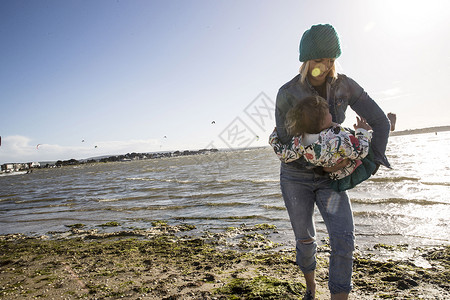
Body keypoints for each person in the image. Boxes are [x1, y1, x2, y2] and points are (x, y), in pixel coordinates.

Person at [272, 24, 391, 300]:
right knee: (305, 240)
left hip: (332, 179)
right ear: (306, 60)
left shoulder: (345, 86)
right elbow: (286, 145)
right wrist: (323, 163)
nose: (325, 67)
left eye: (330, 60)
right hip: (295, 177)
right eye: (318, 60)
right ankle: (311, 289)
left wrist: (367, 165)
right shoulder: (287, 93)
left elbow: (380, 123)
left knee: (343, 239)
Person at [269, 95, 376, 192]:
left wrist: (273, 138)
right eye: (328, 113)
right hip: (350, 172)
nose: (331, 114)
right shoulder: (337, 138)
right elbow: (361, 152)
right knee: (361, 139)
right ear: (322, 121)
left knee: (345, 132)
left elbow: (284, 156)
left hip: (333, 176)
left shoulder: (299, 141)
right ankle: (369, 131)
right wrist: (362, 131)